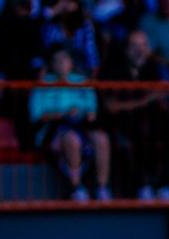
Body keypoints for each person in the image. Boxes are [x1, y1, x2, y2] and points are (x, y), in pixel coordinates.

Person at [29, 46, 112, 200]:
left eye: (64, 59)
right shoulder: (43, 84)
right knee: (72, 140)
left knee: (102, 139)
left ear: (71, 63)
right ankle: (77, 187)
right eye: (57, 60)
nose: (61, 63)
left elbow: (92, 112)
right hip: (54, 128)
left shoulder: (81, 81)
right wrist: (63, 114)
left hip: (81, 124)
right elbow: (38, 116)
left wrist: (82, 113)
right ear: (52, 64)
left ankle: (102, 188)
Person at [100, 29, 169, 200]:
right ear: (125, 50)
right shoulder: (113, 71)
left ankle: (165, 186)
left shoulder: (155, 70)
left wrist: (161, 100)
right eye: (134, 46)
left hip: (151, 125)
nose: (140, 50)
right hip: (121, 125)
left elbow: (165, 99)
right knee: (131, 139)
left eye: (143, 45)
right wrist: (147, 100)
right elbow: (111, 106)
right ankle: (142, 186)